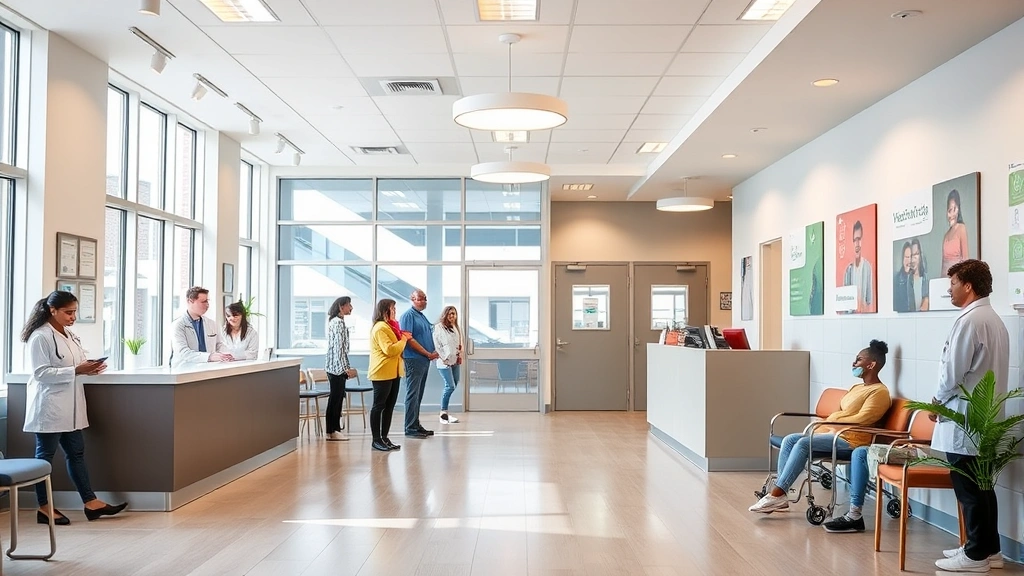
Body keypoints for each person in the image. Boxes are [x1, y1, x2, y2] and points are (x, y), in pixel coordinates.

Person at [21, 291, 128, 525]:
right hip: (49, 406)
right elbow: (41, 373)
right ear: (53, 310)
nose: (73, 317)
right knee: (44, 459)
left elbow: (77, 361)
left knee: (76, 454)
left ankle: (91, 503)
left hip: (70, 406)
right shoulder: (40, 337)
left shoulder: (69, 334)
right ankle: (44, 507)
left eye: (74, 312)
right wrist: (77, 371)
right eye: (68, 312)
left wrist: (90, 366)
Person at [749, 340, 891, 514]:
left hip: (851, 440)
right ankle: (781, 496)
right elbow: (839, 411)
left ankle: (776, 493)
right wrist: (831, 422)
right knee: (790, 439)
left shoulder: (880, 392)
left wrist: (832, 422)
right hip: (833, 434)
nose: (854, 363)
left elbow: (863, 419)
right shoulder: (856, 387)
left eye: (858, 360)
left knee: (802, 444)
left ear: (871, 364)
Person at [930, 260, 1008, 572]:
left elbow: (952, 374)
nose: (949, 289)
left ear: (968, 287)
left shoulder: (970, 321)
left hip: (964, 419)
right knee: (984, 486)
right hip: (985, 419)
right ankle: (990, 550)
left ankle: (976, 556)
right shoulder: (993, 319)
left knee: (970, 490)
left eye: (953, 283)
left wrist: (936, 401)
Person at [369, 298, 410, 452]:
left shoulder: (390, 327)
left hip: (393, 372)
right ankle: (376, 439)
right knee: (379, 406)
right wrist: (404, 339)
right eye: (393, 308)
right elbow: (390, 350)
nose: (395, 311)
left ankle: (385, 437)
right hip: (382, 372)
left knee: (389, 406)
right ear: (385, 310)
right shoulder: (380, 328)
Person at [400, 289, 440, 439]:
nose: (423, 301)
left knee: (418, 394)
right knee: (412, 393)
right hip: (414, 359)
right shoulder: (408, 316)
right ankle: (410, 427)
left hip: (424, 360)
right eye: (420, 299)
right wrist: (426, 352)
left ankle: (415, 424)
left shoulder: (421, 316)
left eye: (425, 299)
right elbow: (409, 339)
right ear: (412, 299)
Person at [170, 286, 233, 367]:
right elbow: (183, 352)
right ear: (190, 301)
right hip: (184, 370)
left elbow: (219, 344)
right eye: (203, 301)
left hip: (206, 370)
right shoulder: (178, 325)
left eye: (208, 301)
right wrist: (209, 357)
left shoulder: (211, 324)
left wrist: (226, 355)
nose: (207, 305)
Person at [324, 296, 356, 442]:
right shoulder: (337, 323)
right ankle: (333, 430)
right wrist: (346, 369)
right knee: (336, 400)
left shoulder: (336, 322)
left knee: (336, 399)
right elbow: (339, 348)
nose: (351, 308)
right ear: (341, 307)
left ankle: (332, 430)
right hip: (336, 368)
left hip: (334, 366)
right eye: (349, 305)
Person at [432, 305, 462, 425]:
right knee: (449, 386)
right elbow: (437, 344)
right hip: (444, 361)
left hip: (455, 360)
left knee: (455, 383)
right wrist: (444, 357)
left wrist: (459, 356)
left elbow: (458, 344)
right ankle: (443, 413)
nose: (452, 316)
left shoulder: (456, 327)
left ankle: (446, 414)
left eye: (454, 314)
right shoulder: (438, 327)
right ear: (445, 315)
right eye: (449, 314)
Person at [842, 220, 874, 312]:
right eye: (854, 240)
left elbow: (869, 301)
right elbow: (845, 303)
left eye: (859, 239)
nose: (857, 244)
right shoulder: (848, 271)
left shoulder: (867, 267)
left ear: (862, 240)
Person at [940, 189, 970, 276]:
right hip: (944, 280)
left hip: (957, 280)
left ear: (959, 209)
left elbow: (966, 260)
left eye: (955, 209)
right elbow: (943, 266)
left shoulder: (961, 228)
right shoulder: (946, 235)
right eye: (950, 210)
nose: (952, 214)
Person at [909, 238, 930, 311]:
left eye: (916, 254)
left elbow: (925, 304)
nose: (913, 258)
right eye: (911, 255)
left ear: (920, 256)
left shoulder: (925, 279)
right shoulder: (906, 280)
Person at [893, 242, 914, 313]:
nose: (909, 260)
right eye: (907, 257)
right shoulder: (897, 279)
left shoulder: (918, 277)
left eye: (911, 257)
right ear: (903, 258)